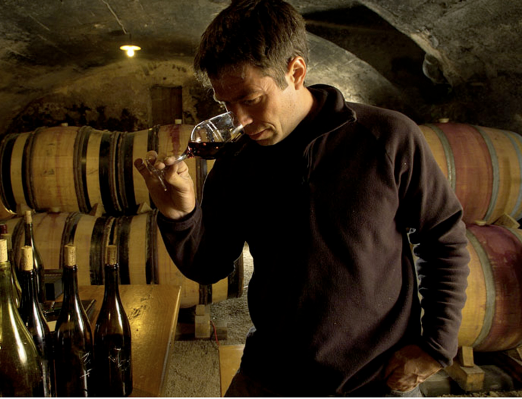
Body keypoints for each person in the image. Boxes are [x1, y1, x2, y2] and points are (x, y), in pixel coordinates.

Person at [134, 0, 470, 396]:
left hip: (375, 379)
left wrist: (435, 346)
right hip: (272, 373)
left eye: (251, 98)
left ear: (295, 71)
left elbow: (443, 238)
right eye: (225, 103)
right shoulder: (237, 161)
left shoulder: (386, 137)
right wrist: (180, 214)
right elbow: (209, 266)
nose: (238, 119)